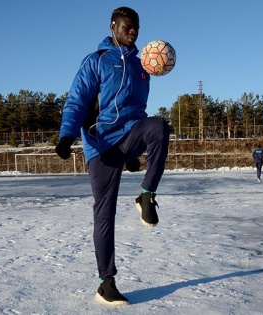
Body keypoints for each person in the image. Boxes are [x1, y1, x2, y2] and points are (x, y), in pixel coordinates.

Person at [55, 7, 170, 306]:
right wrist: (66, 135)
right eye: (128, 27)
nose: (133, 32)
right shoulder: (96, 61)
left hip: (128, 136)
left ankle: (147, 195)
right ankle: (106, 283)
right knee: (104, 214)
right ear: (114, 27)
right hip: (101, 145)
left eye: (137, 28)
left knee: (158, 126)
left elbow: (138, 110)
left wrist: (135, 150)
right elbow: (77, 99)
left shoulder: (142, 67)